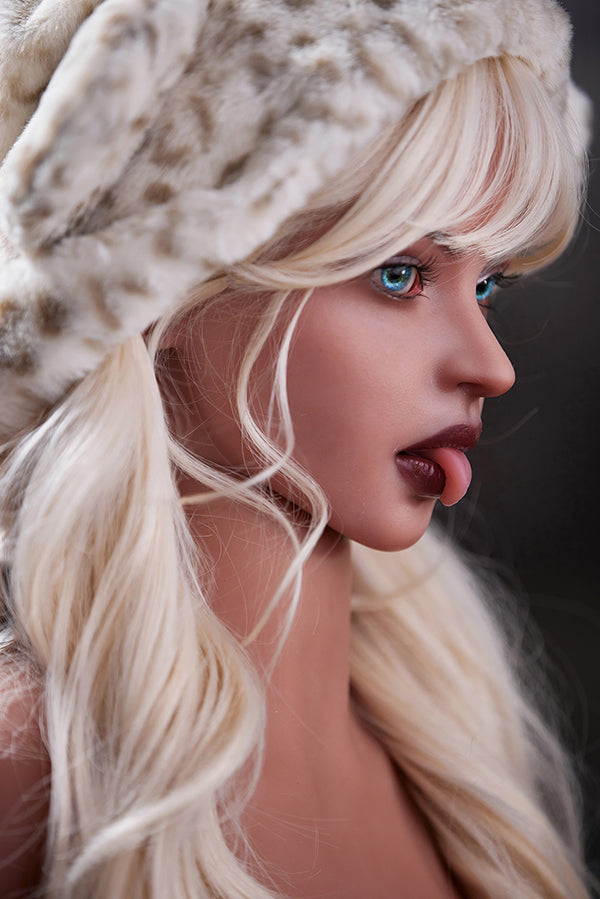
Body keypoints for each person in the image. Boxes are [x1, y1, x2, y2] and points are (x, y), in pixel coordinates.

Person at [0, 0, 593, 896]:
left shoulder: (458, 740)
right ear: (164, 283)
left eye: (489, 287)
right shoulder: (31, 780)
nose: (491, 365)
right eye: (400, 274)